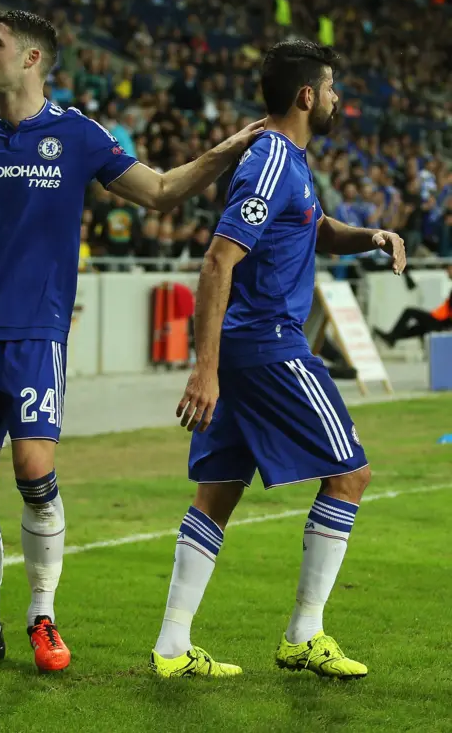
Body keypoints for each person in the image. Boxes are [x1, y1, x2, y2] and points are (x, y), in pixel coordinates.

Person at [0, 9, 263, 674]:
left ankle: (43, 616)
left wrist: (224, 151)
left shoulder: (78, 134)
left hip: (36, 335)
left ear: (32, 59)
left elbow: (163, 192)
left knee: (33, 469)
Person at [149, 40, 406, 680]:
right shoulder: (269, 158)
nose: (338, 99)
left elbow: (314, 229)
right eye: (331, 87)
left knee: (218, 493)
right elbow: (219, 258)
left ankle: (173, 647)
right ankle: (304, 633)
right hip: (267, 343)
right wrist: (203, 368)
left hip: (247, 348)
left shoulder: (290, 161)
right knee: (351, 476)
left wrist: (370, 236)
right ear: (306, 96)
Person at [373, 266, 452, 347]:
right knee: (417, 329)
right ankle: (392, 338)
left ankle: (391, 338)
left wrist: (448, 327)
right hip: (438, 319)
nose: (447, 272)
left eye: (449, 270)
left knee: (409, 312)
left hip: (441, 322)